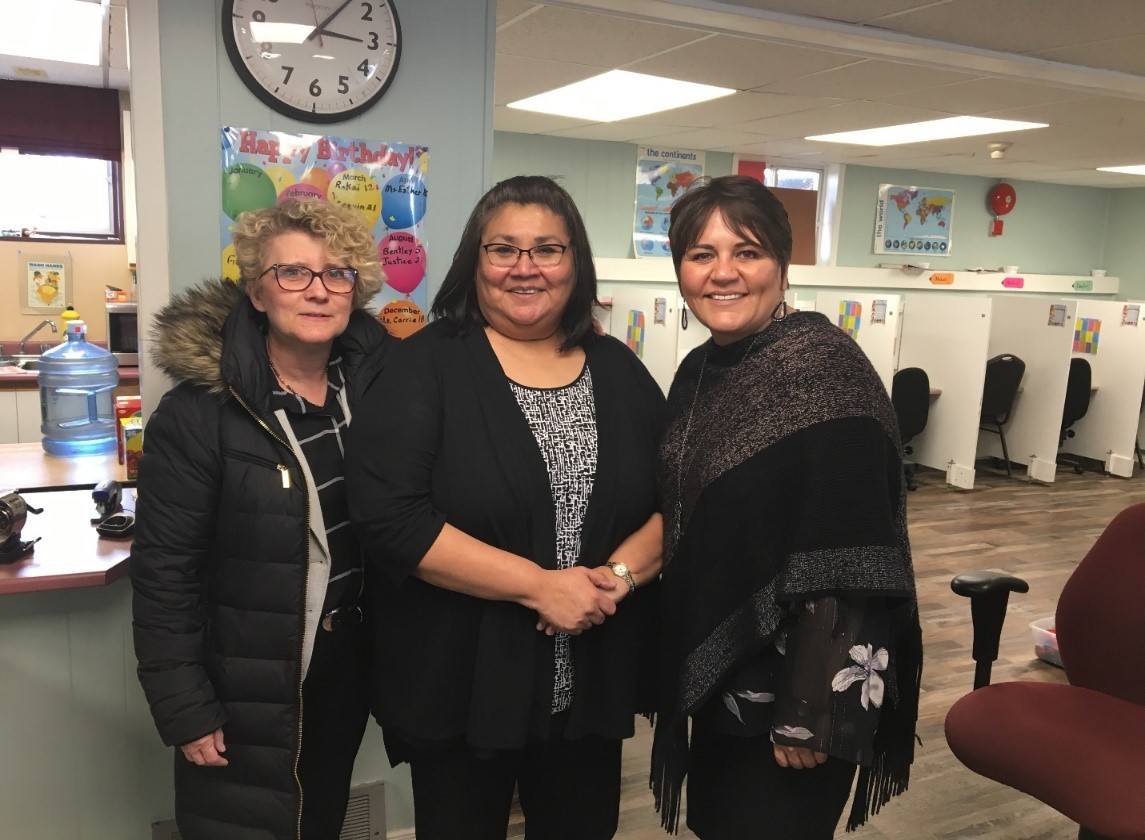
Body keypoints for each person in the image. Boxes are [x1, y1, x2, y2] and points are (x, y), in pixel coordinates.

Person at [346, 175, 665, 840]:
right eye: (504, 250)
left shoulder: (618, 370)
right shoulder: (423, 367)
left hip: (589, 686)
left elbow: (677, 497)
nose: (525, 268)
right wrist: (540, 588)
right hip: (463, 690)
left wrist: (618, 579)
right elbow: (391, 519)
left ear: (574, 263)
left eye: (547, 249)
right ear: (474, 261)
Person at [650, 175, 923, 839]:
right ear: (680, 269)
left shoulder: (824, 370)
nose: (722, 273)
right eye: (700, 254)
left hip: (797, 692)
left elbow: (855, 554)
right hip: (725, 675)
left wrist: (812, 713)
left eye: (746, 252)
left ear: (782, 263)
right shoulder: (700, 371)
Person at [130, 199, 392, 840]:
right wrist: (186, 706)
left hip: (348, 658)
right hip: (247, 673)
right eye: (293, 273)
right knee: (243, 823)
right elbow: (165, 574)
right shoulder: (200, 415)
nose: (318, 290)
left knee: (321, 809)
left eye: (337, 273)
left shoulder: (378, 390)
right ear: (256, 291)